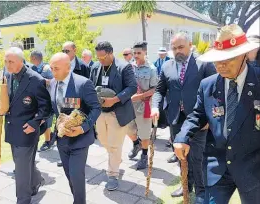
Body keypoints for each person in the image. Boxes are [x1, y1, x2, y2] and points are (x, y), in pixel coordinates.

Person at [173, 24, 260, 204]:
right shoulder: (208, 85)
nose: (220, 65)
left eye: (228, 59)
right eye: (217, 60)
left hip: (253, 167)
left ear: (244, 56)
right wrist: (182, 137)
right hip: (217, 167)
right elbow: (197, 115)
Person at [151, 32, 216, 202]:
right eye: (174, 48)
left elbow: (214, 92)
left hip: (198, 121)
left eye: (181, 47)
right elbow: (159, 91)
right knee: (180, 155)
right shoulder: (167, 66)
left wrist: (209, 117)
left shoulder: (204, 64)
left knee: (197, 157)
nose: (177, 51)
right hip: (175, 118)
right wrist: (154, 107)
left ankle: (201, 192)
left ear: (190, 46)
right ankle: (186, 184)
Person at [0, 47, 52, 204]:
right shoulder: (7, 75)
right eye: (6, 61)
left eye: (11, 61)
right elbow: (5, 96)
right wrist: (0, 106)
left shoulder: (35, 79)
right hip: (11, 128)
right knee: (21, 162)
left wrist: (34, 123)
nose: (8, 65)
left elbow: (46, 107)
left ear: (21, 61)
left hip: (27, 130)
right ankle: (36, 181)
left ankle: (23, 199)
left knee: (20, 168)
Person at [48, 53, 101, 204]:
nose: (53, 71)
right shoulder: (52, 83)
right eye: (51, 68)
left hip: (80, 139)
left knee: (76, 175)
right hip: (61, 139)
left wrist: (83, 128)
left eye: (56, 68)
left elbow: (96, 108)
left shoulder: (83, 84)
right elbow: (53, 108)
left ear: (68, 67)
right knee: (69, 175)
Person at [90, 41, 137, 191]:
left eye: (103, 57)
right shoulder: (96, 67)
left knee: (115, 145)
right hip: (100, 113)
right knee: (104, 141)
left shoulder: (124, 67)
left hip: (118, 112)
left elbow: (132, 87)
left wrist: (115, 99)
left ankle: (113, 174)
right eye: (98, 57)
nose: (100, 60)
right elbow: (91, 86)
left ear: (111, 53)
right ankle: (116, 160)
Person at [127, 41, 158, 170]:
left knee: (145, 134)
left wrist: (139, 97)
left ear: (145, 52)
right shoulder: (129, 67)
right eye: (134, 53)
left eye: (139, 53)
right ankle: (136, 144)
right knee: (128, 129)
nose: (136, 55)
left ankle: (144, 156)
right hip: (129, 105)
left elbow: (155, 89)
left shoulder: (151, 69)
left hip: (144, 105)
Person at [30, 50, 54, 152]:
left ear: (34, 58)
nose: (29, 59)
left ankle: (48, 142)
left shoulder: (47, 69)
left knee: (47, 121)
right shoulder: (32, 68)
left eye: (31, 57)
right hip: (36, 100)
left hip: (47, 99)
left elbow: (54, 82)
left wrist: (41, 79)